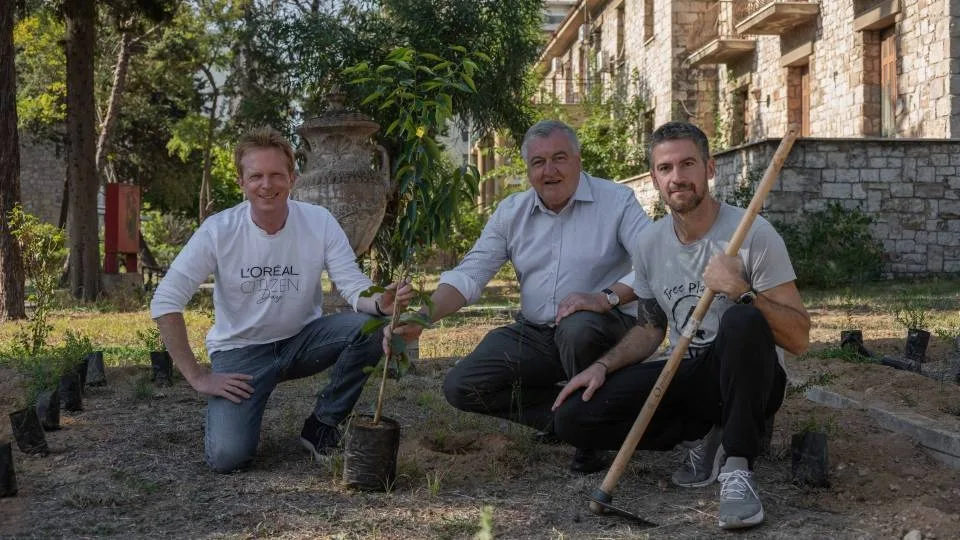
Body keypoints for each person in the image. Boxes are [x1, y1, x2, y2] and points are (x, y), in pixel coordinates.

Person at [551, 121, 810, 530]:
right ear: (654, 178)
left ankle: (737, 466)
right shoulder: (650, 244)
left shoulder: (754, 234)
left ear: (709, 168)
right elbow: (650, 329)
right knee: (573, 419)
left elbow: (799, 337)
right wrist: (601, 367)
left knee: (742, 318)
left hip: (752, 379)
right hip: (691, 377)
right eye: (666, 168)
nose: (678, 177)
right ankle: (705, 433)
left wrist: (741, 290)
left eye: (688, 164)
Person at [387, 119, 651, 473]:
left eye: (559, 158)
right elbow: (470, 273)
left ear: (578, 159)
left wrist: (606, 297)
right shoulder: (512, 212)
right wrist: (421, 318)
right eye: (538, 162)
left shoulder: (616, 200)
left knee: (578, 328)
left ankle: (592, 438)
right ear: (528, 169)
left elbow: (654, 262)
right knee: (462, 386)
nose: (549, 171)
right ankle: (566, 420)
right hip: (537, 334)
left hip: (603, 328)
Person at [150, 126, 413, 473]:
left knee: (370, 328)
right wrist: (198, 376)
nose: (267, 184)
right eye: (256, 175)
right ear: (241, 182)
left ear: (293, 178)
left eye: (277, 174)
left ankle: (322, 425)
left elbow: (351, 285)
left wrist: (382, 302)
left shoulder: (318, 221)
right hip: (242, 354)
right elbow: (165, 300)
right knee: (228, 459)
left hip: (303, 342)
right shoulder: (219, 230)